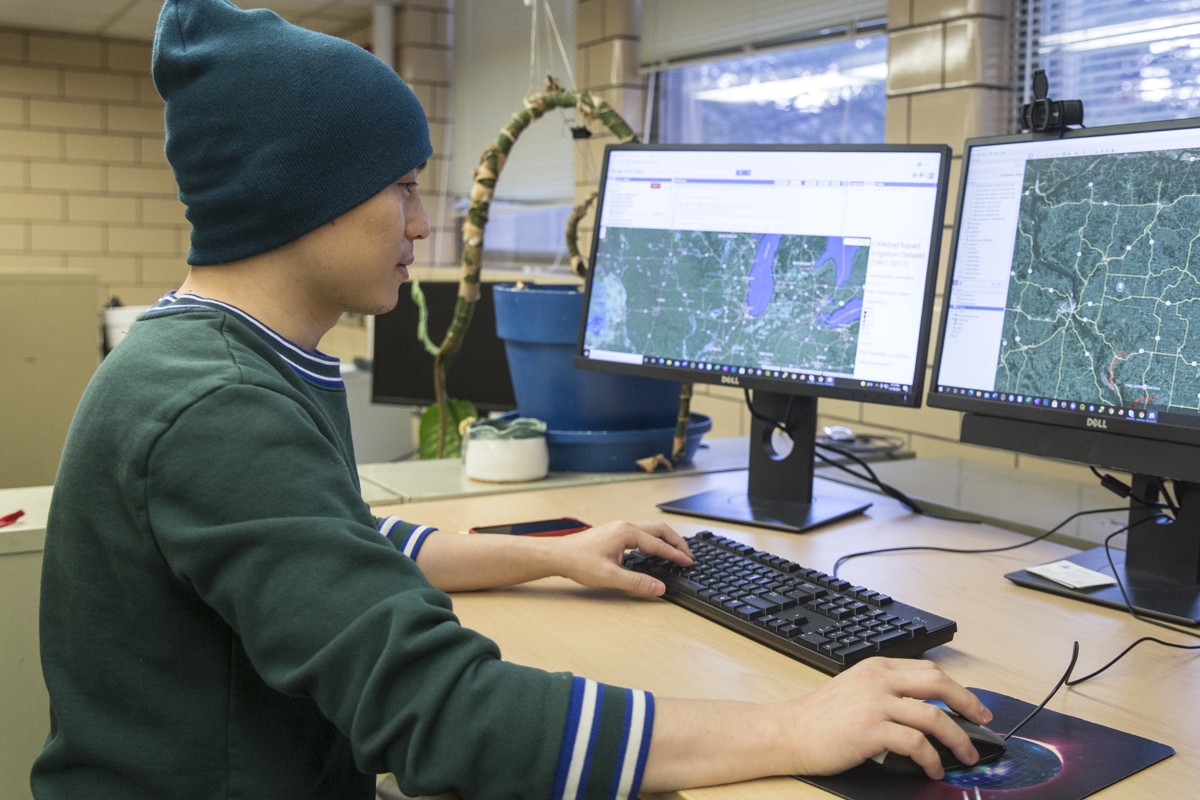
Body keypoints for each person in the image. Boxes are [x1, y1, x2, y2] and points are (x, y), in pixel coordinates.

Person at [32, 2, 993, 798]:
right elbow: (448, 719)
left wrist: (548, 554)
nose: (419, 223)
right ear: (298, 194)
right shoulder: (216, 405)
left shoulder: (221, 359)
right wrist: (795, 726)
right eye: (401, 189)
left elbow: (336, 541)